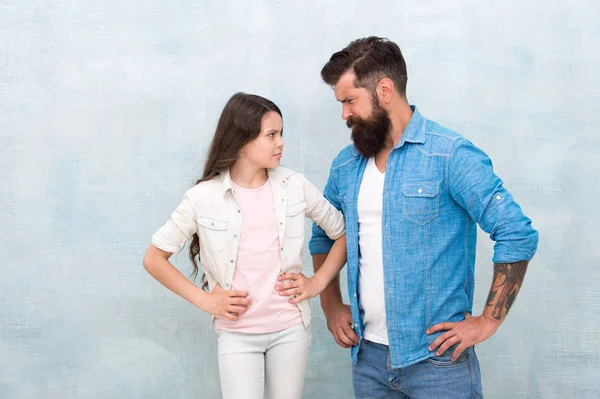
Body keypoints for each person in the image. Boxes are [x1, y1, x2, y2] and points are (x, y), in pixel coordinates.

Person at [283, 37, 539, 398]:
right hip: (368, 361)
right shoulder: (346, 164)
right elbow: (324, 235)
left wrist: (486, 322)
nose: (344, 114)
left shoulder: (450, 156)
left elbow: (516, 232)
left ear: (384, 90)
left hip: (438, 363)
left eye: (349, 101)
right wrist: (331, 305)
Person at [142, 92, 348, 399]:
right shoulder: (203, 197)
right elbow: (153, 258)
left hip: (290, 328)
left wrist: (317, 282)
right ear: (241, 140)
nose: (281, 143)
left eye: (281, 134)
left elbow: (342, 232)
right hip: (236, 333)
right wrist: (205, 301)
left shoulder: (294, 186)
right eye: (271, 135)